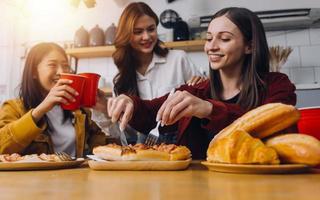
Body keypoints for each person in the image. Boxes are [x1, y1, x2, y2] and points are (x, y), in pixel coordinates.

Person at [106, 7, 297, 159]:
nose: (211, 46)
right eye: (209, 38)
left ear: (250, 46)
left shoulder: (277, 85)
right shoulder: (196, 91)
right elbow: (151, 113)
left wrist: (208, 109)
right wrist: (130, 103)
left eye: (224, 39)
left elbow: (274, 127)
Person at [107, 2, 205, 143]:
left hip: (180, 146)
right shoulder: (120, 80)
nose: (146, 37)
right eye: (138, 32)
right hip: (139, 150)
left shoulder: (178, 59)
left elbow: (202, 101)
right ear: (126, 35)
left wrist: (200, 87)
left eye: (151, 29)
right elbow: (122, 131)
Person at [0, 42, 107, 157]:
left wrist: (106, 112)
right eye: (52, 65)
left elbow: (104, 146)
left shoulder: (79, 111)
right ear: (33, 72)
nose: (61, 72)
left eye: (65, 66)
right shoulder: (13, 107)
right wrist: (40, 110)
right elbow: (2, 146)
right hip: (35, 175)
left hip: (75, 174)